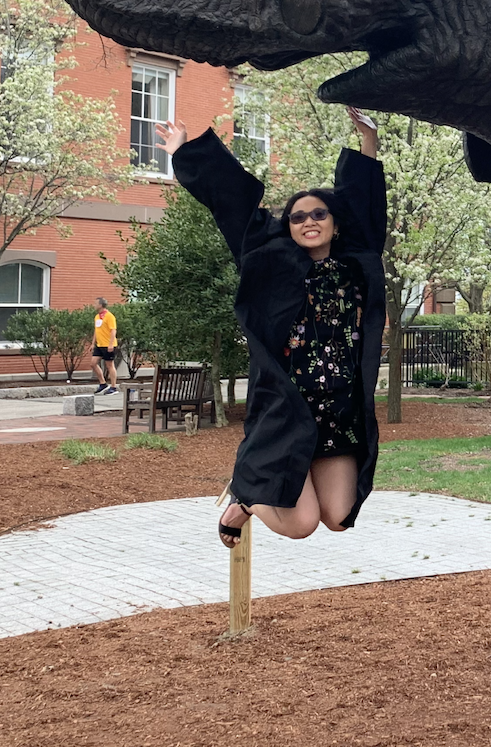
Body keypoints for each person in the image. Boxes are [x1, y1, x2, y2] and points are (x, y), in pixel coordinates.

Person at [153, 107, 387, 548]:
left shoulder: (356, 264)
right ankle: (244, 500)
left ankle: (280, 489)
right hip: (287, 410)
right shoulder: (270, 260)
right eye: (298, 217)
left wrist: (368, 141)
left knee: (338, 517)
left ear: (335, 225)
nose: (309, 221)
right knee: (300, 525)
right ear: (289, 228)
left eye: (319, 214)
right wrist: (186, 152)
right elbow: (233, 203)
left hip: (337, 411)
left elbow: (367, 204)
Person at [91, 298, 119, 395]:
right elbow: (96, 330)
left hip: (108, 345)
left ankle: (113, 386)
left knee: (109, 365)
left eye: (96, 303)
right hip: (99, 345)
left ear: (101, 305)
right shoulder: (97, 317)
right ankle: (103, 383)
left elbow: (113, 330)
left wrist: (111, 344)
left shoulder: (109, 316)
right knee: (93, 363)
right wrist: (92, 343)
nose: (94, 305)